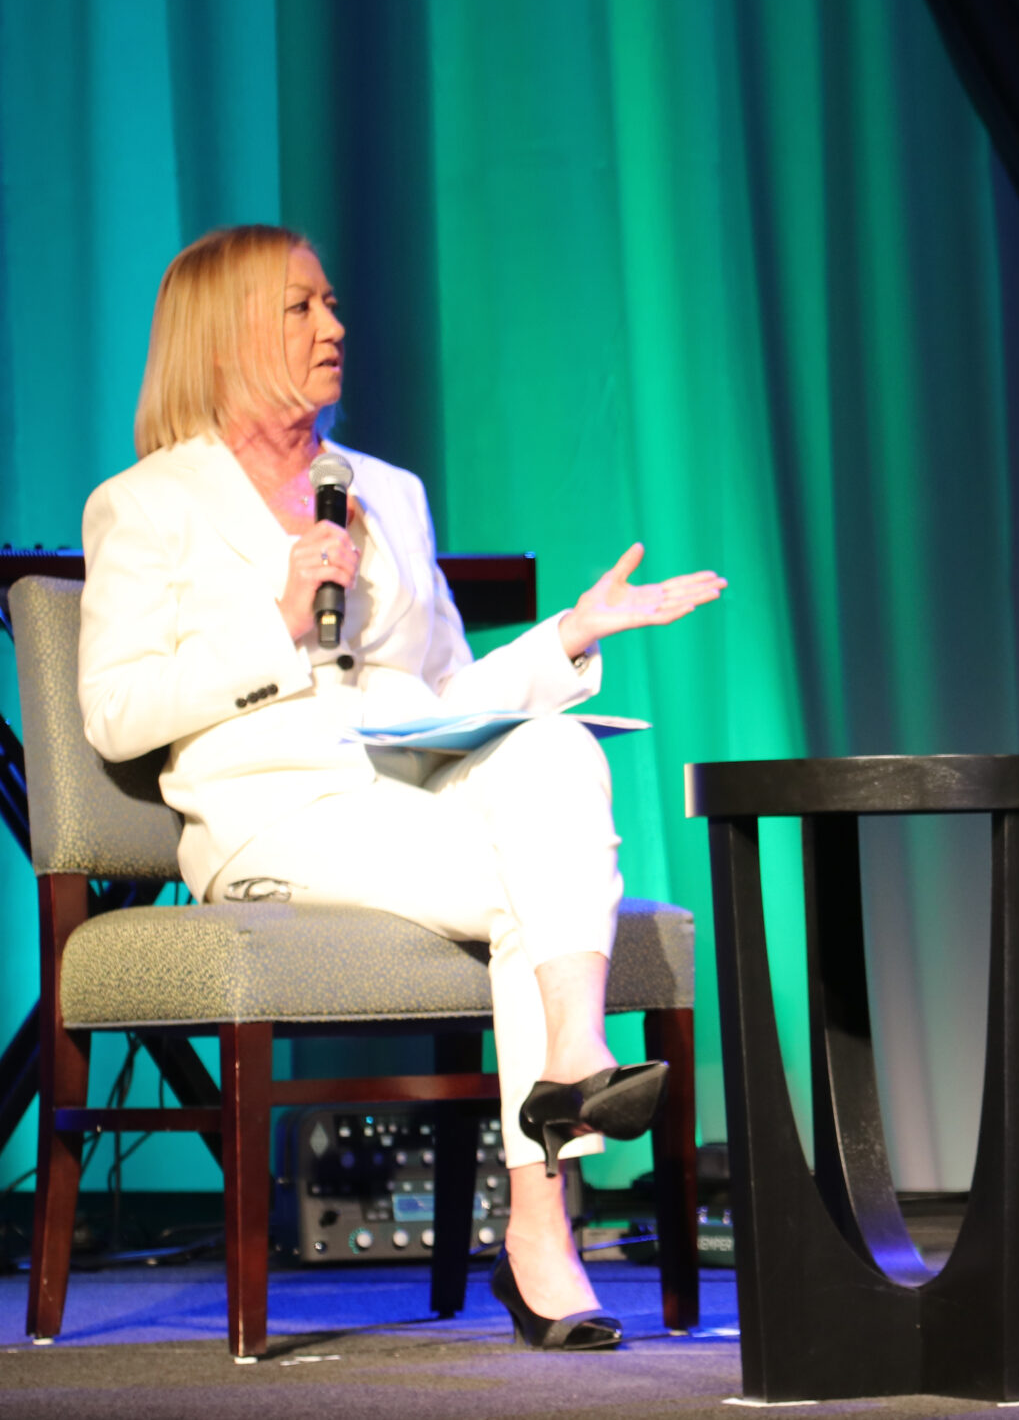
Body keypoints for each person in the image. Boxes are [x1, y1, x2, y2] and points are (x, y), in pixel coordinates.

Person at [78, 226, 726, 1350]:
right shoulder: (146, 506)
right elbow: (117, 717)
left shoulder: (384, 491)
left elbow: (439, 690)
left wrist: (567, 637)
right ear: (223, 333)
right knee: (548, 885)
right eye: (301, 309)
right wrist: (275, 626)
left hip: (411, 784)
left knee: (560, 750)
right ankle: (543, 1224)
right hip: (272, 813)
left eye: (333, 305)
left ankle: (569, 1073)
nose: (335, 328)